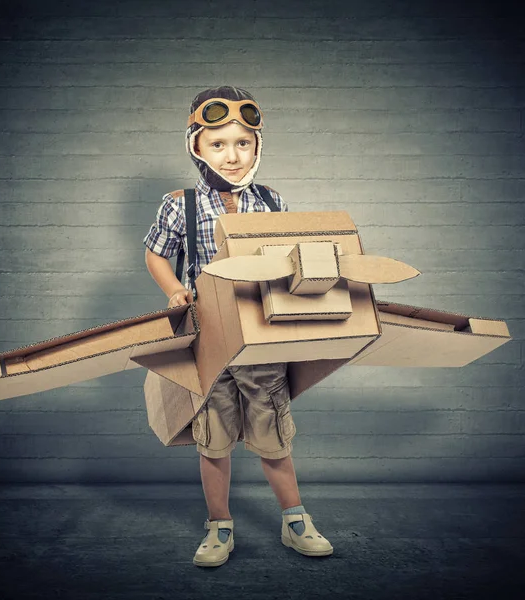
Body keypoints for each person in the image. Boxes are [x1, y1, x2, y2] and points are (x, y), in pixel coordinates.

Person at [143, 86, 333, 567]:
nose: (232, 155)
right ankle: (219, 528)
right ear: (197, 148)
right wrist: (173, 290)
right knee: (214, 438)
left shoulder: (271, 200)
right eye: (219, 144)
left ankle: (295, 521)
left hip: (260, 340)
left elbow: (287, 257)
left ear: (257, 146)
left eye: (243, 143)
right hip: (209, 341)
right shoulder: (178, 204)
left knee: (272, 433)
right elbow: (155, 253)